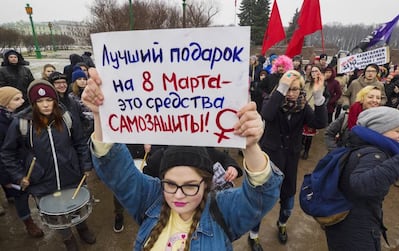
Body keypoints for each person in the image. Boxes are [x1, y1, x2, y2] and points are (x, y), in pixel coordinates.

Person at [81, 68, 284, 250]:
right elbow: (116, 171)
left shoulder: (222, 210)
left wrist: (250, 145)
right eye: (170, 184)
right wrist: (101, 115)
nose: (178, 196)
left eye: (189, 186)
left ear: (206, 184)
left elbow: (261, 196)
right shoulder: (151, 199)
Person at [0, 80, 96, 251]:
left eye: (49, 100)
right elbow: (7, 153)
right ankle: (68, 239)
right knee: (57, 212)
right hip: (41, 180)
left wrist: (86, 166)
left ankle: (83, 229)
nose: (45, 105)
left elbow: (80, 143)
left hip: (71, 174)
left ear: (55, 100)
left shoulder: (66, 117)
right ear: (33, 103)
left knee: (76, 205)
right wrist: (19, 176)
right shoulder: (22, 123)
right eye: (40, 101)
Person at [249, 70, 327, 249]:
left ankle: (282, 224)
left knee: (288, 204)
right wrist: (282, 88)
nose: (292, 93)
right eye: (289, 89)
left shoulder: (302, 106)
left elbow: (320, 123)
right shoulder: (273, 101)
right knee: (260, 202)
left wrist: (318, 96)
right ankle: (253, 234)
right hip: (270, 158)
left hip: (290, 161)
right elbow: (266, 115)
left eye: (296, 90)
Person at [325, 106, 399, 250]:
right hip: (355, 226)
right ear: (380, 130)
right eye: (398, 131)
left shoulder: (359, 144)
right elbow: (360, 184)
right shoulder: (374, 154)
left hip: (345, 218)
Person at [0, 86, 45, 237]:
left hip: (28, 164)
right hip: (13, 170)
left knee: (37, 191)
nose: (23, 101)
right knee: (21, 197)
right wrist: (6, 178)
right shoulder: (3, 123)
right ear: (5, 103)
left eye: (21, 97)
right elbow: (3, 154)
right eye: (17, 99)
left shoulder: (19, 117)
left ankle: (44, 213)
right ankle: (28, 222)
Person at [324, 86, 382, 151]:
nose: (375, 100)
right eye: (370, 97)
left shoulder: (380, 121)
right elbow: (329, 133)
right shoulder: (346, 116)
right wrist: (335, 151)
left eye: (378, 98)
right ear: (362, 98)